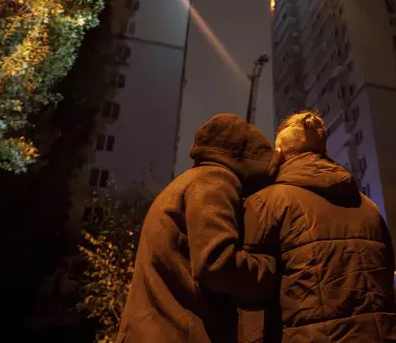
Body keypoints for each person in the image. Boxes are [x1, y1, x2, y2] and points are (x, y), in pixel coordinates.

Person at [242, 111, 396, 343]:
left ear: (278, 155)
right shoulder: (369, 207)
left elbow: (250, 287)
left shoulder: (268, 203)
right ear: (325, 152)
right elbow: (386, 272)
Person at [116, 113, 281, 343]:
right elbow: (216, 263)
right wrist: (274, 270)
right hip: (178, 334)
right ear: (247, 162)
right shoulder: (215, 180)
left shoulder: (187, 182)